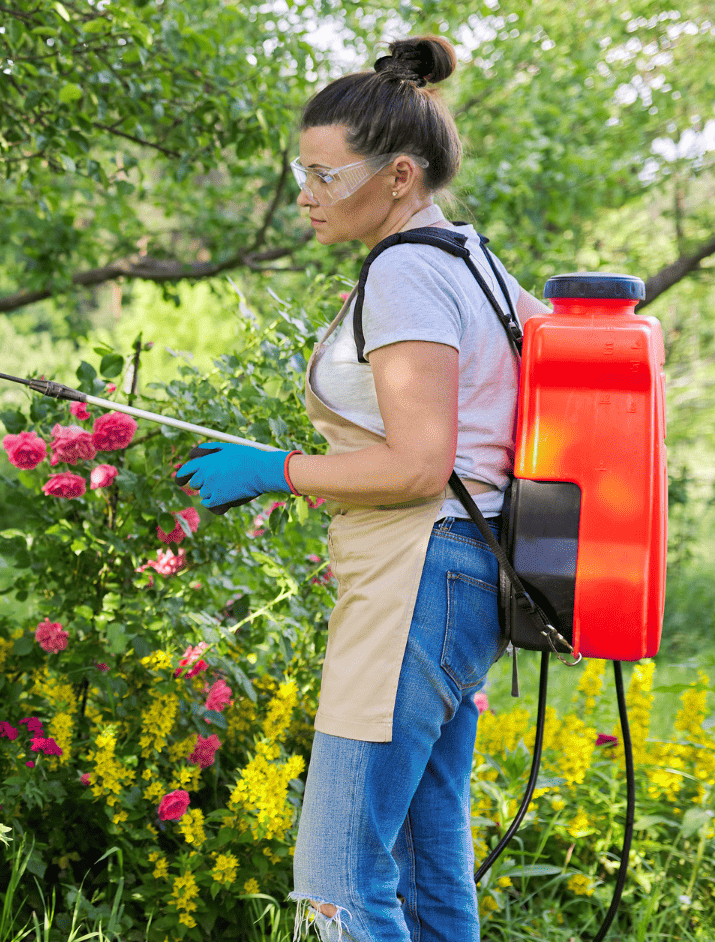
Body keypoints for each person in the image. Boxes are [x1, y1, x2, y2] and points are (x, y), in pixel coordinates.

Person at [175, 36, 552, 942]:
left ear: (398, 176)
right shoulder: (470, 260)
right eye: (299, 171)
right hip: (459, 577)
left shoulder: (406, 272)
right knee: (426, 867)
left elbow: (423, 466)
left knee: (339, 879)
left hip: (416, 578)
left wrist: (278, 471)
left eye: (326, 176)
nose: (306, 195)